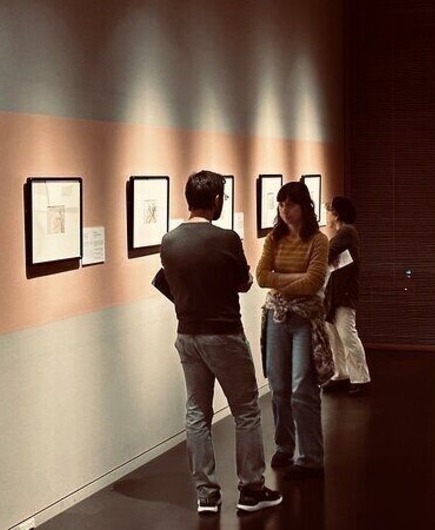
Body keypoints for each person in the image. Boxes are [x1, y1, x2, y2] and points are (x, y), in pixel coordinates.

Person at [159, 170, 283, 514]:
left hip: (187, 334)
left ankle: (206, 495)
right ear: (216, 200)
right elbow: (243, 283)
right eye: (223, 198)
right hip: (224, 333)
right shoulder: (226, 239)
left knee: (197, 411)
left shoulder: (169, 241)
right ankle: (251, 489)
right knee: (245, 411)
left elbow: (168, 281)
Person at [256, 181, 330, 479]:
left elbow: (314, 282)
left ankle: (311, 455)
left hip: (305, 319)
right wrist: (293, 280)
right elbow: (261, 277)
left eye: (291, 204)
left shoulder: (319, 240)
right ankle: (284, 446)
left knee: (303, 387)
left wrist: (281, 280)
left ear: (305, 206)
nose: (285, 210)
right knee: (278, 386)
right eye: (281, 204)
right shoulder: (274, 238)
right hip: (276, 316)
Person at [321, 196, 371, 396]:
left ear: (336, 214)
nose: (327, 216)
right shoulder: (344, 232)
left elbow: (326, 254)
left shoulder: (347, 232)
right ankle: (340, 374)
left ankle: (361, 378)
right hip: (335, 293)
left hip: (343, 293)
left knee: (347, 335)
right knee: (335, 336)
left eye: (329, 211)